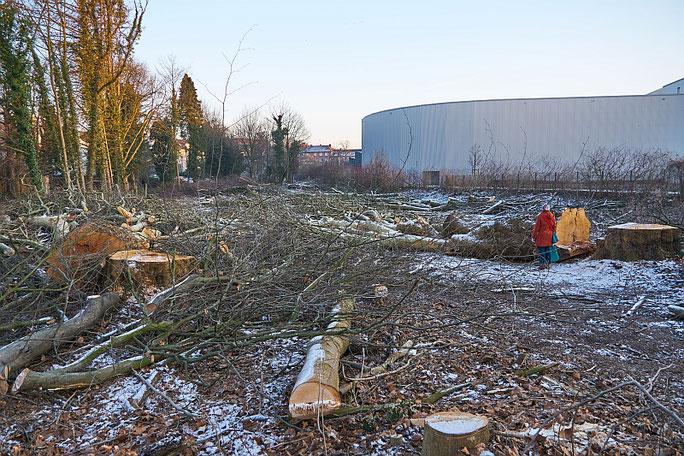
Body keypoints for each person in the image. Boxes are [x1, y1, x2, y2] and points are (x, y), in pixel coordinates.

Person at [531, 204, 556, 269]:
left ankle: (542, 264)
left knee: (542, 251)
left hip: (541, 236)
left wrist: (533, 237)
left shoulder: (540, 217)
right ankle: (548, 263)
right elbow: (554, 227)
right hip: (549, 235)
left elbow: (536, 228)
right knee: (548, 250)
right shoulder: (552, 216)